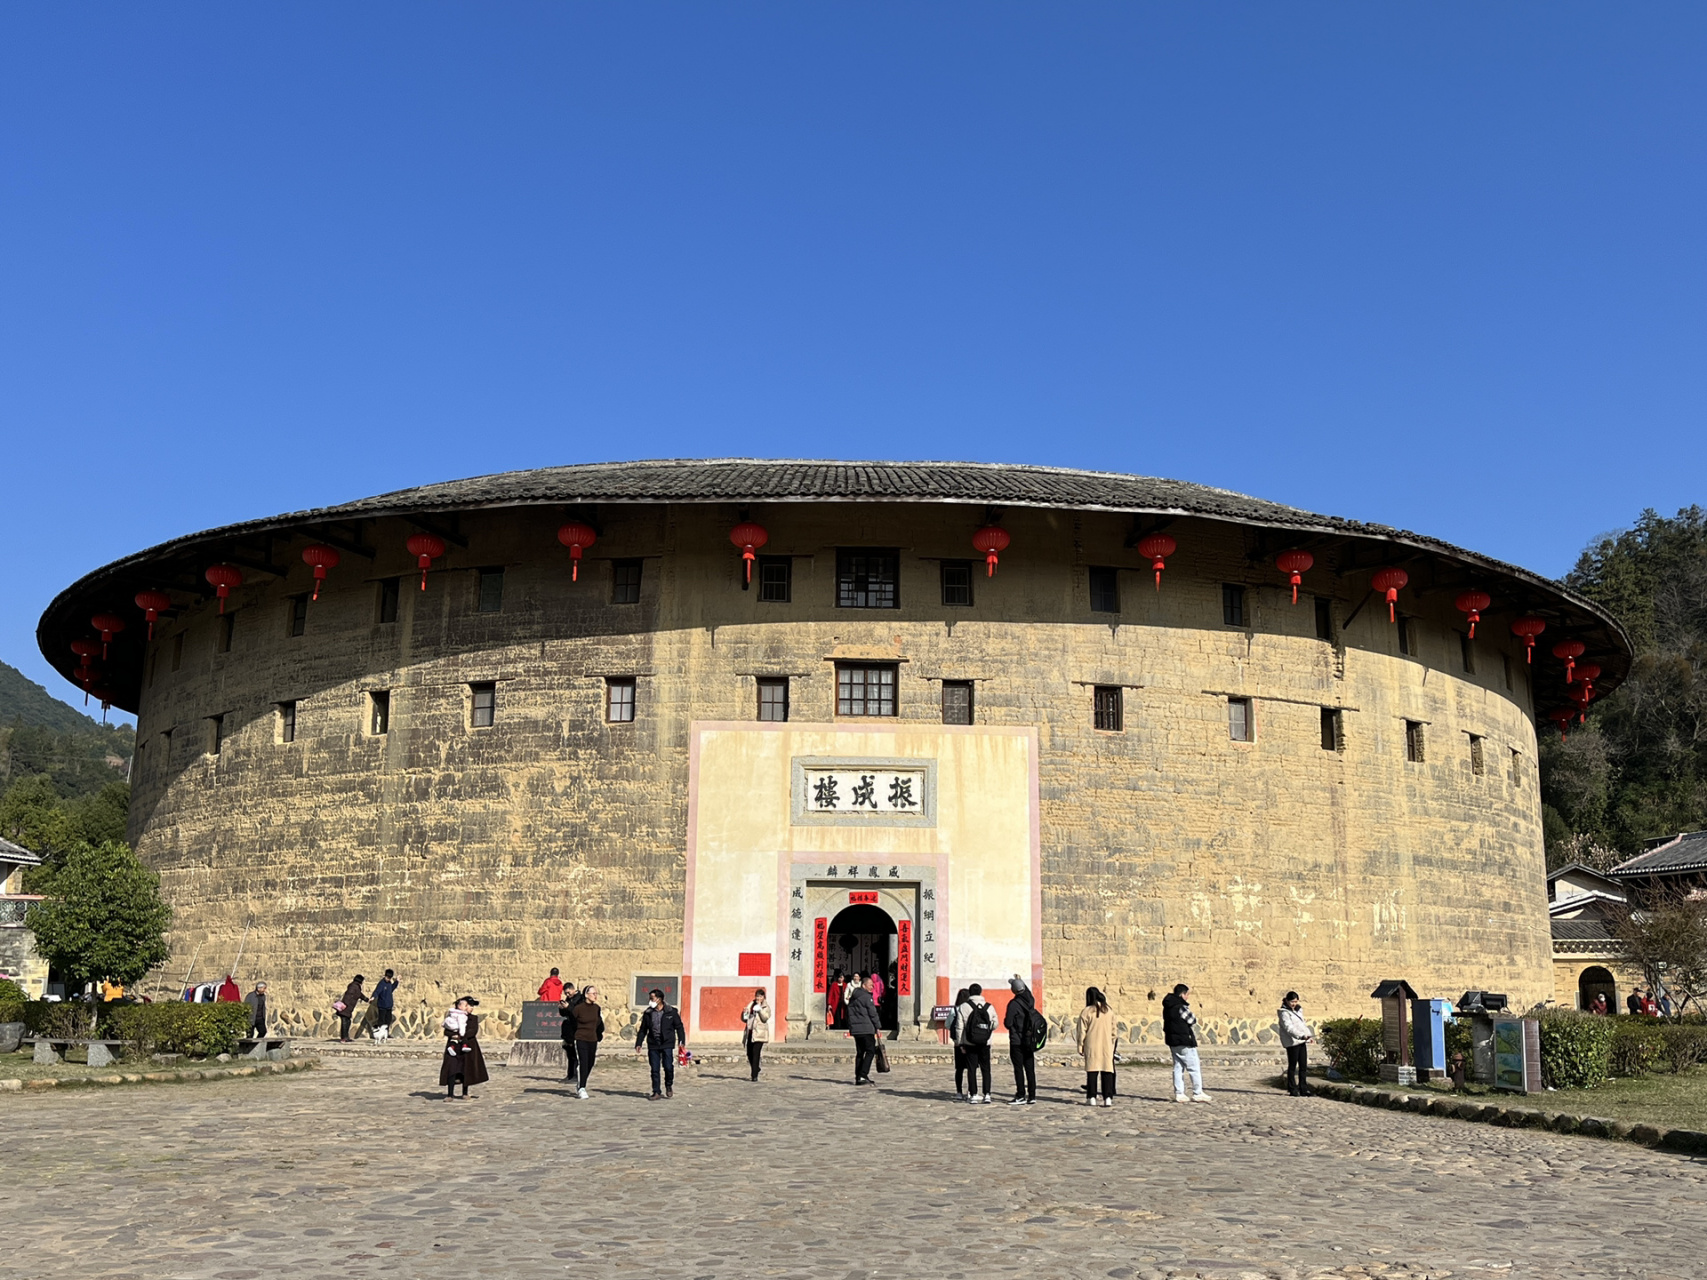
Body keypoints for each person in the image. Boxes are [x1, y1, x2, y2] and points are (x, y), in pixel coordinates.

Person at [633, 987, 687, 1099]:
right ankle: (656, 1091)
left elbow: (679, 1027)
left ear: (659, 999)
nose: (650, 1000)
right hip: (653, 1044)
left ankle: (668, 1085)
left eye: (652, 998)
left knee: (668, 1066)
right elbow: (643, 1029)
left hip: (667, 1043)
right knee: (654, 1069)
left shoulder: (671, 1012)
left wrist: (681, 1041)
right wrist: (639, 1043)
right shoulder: (648, 1013)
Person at [1163, 983, 1209, 1103]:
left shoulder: (1167, 1007)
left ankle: (1179, 1093)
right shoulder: (1180, 1007)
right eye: (1187, 994)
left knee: (1178, 1067)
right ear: (1182, 994)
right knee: (1194, 1067)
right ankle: (1197, 1092)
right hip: (1184, 1040)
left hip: (1172, 1041)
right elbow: (1192, 1020)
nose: (1188, 997)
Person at [439, 996, 489, 1100]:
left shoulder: (473, 1018)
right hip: (453, 1047)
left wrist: (461, 1036)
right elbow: (446, 1030)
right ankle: (450, 1094)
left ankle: (465, 1093)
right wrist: (453, 1035)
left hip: (467, 1047)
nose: (471, 1008)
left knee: (465, 1070)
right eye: (469, 1005)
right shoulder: (452, 1016)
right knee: (451, 1069)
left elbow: (472, 1031)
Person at [954, 983, 995, 1103]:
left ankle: (973, 1094)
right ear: (981, 992)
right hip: (985, 1043)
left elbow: (959, 1027)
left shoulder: (964, 1007)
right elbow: (995, 1023)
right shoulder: (989, 1007)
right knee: (985, 1068)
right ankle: (987, 1094)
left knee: (971, 1069)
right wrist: (986, 1032)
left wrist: (961, 1043)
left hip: (969, 1042)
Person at [1077, 987, 1116, 1107]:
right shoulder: (1109, 1011)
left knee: (1092, 1072)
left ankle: (1091, 1096)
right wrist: (1112, 1044)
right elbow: (1114, 1031)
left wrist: (1080, 1045)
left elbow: (1081, 1031)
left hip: (1091, 1044)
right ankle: (1107, 1097)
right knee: (1107, 1071)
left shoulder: (1087, 1011)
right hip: (1106, 1045)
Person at [1004, 976, 1040, 1105]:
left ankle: (1020, 1095)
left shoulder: (1014, 1004)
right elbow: (1026, 991)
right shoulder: (1031, 1000)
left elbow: (1008, 1023)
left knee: (1018, 1068)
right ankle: (1032, 1095)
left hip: (1017, 1041)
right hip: (1029, 1040)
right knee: (1030, 1069)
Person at [844, 973, 882, 1085]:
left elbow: (849, 1014)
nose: (872, 987)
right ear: (864, 985)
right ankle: (863, 1074)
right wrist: (878, 1027)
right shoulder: (866, 997)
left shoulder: (853, 997)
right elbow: (873, 1013)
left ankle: (858, 1077)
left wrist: (851, 1027)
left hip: (856, 1030)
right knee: (870, 1051)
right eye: (870, 985)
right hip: (866, 1029)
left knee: (860, 1053)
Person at [567, 983, 604, 1098]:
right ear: (586, 995)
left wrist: (599, 1034)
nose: (595, 995)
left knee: (590, 1062)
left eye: (596, 993)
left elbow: (599, 1023)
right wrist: (571, 1037)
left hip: (592, 1039)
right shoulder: (578, 1009)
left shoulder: (597, 1008)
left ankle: (580, 1082)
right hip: (580, 1038)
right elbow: (572, 1023)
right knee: (583, 1062)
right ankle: (582, 1087)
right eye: (593, 993)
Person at [1277, 991, 1313, 1097]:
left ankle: (1303, 1088)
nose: (1294, 1003)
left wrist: (1308, 1036)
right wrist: (1300, 1035)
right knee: (1292, 1066)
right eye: (1292, 1001)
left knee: (1303, 1066)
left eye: (1296, 1001)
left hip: (1301, 1041)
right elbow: (1289, 1028)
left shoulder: (1298, 1010)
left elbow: (1302, 1025)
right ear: (1287, 1001)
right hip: (1292, 1042)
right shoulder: (1284, 1013)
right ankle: (1292, 1088)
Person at [741, 987, 771, 1081]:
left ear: (763, 997)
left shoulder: (766, 1007)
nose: (758, 998)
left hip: (760, 1033)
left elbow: (765, 1018)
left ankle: (754, 1075)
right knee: (749, 1053)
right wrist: (745, 1013)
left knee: (756, 1053)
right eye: (757, 996)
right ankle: (756, 1068)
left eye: (760, 996)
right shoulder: (751, 1005)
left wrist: (760, 1010)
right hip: (750, 1032)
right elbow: (745, 1019)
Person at [558, 982, 584, 1081]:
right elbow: (566, 1013)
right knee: (570, 1054)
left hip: (577, 1028)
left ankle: (576, 1076)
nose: (567, 995)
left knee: (576, 1054)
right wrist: (562, 1008)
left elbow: (578, 1012)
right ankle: (570, 1075)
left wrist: (569, 1007)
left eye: (569, 993)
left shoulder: (580, 999)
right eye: (566, 994)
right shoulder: (568, 999)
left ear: (573, 989)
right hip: (569, 1030)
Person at [948, 986, 971, 1099]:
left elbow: (948, 1025)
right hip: (970, 1042)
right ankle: (972, 1091)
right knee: (971, 1068)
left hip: (958, 1043)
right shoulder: (971, 1009)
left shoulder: (954, 1009)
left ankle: (959, 1091)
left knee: (959, 1069)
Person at [335, 975, 367, 1042]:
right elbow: (348, 996)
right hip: (346, 1007)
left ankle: (346, 1037)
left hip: (348, 1008)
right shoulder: (354, 986)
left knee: (347, 1022)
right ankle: (344, 1038)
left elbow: (359, 994)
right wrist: (345, 1005)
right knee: (345, 1022)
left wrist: (366, 999)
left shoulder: (355, 987)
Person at [371, 969, 399, 1042]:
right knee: (381, 1021)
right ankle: (380, 1034)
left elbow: (392, 989)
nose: (388, 979)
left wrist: (397, 981)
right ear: (385, 976)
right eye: (387, 977)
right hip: (382, 1006)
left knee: (388, 1020)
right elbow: (377, 991)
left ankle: (386, 1033)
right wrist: (373, 997)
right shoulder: (381, 983)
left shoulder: (389, 983)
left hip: (389, 1005)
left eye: (389, 978)